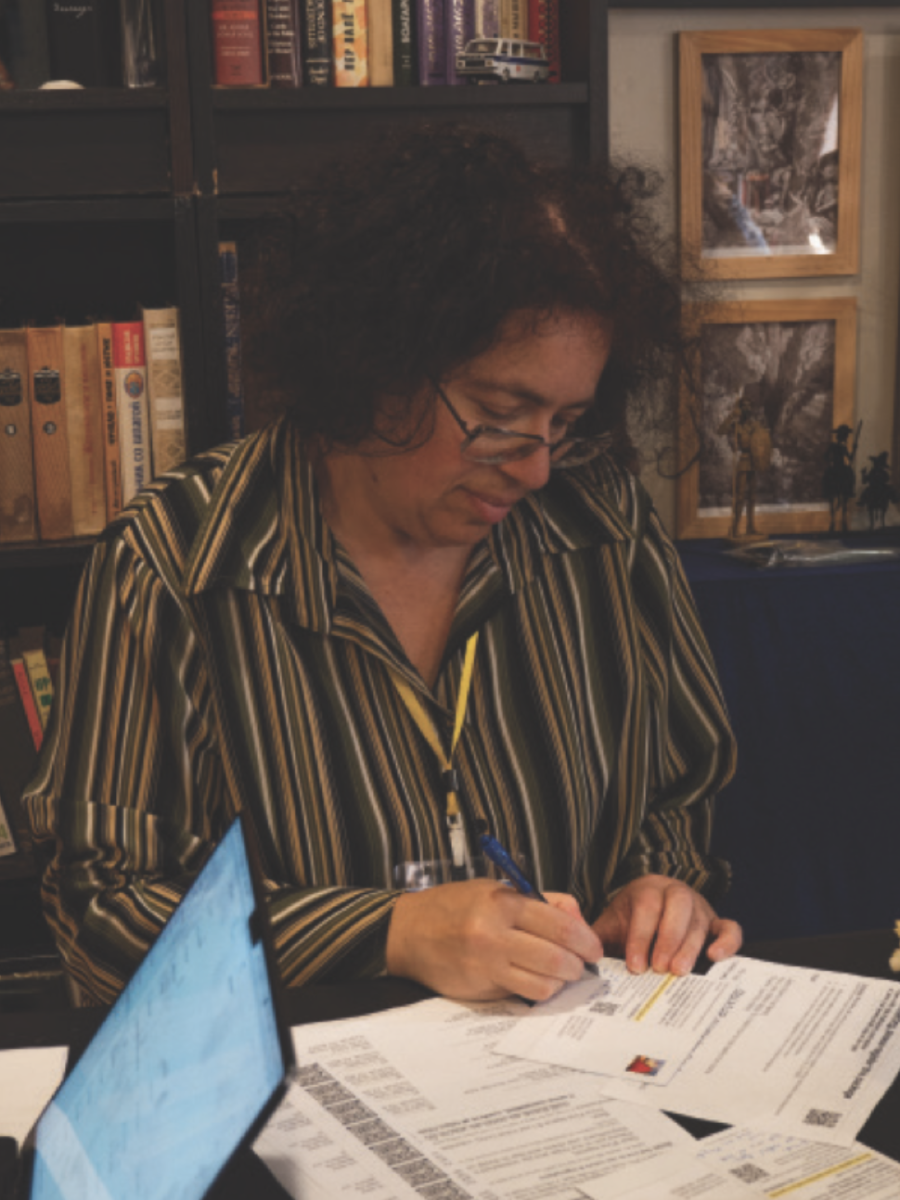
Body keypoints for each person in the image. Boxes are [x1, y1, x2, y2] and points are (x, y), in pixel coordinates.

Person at [25, 125, 742, 1006]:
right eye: (499, 413)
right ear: (378, 364)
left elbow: (677, 789)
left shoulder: (600, 525)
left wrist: (658, 891)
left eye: (565, 421)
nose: (537, 467)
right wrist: (391, 930)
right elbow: (101, 917)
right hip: (315, 1102)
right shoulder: (177, 564)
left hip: (577, 1076)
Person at [717, 391, 771, 540]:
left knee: (752, 496)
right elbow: (720, 431)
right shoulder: (736, 426)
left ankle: (751, 527)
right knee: (740, 496)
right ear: (740, 408)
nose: (747, 409)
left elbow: (762, 442)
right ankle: (735, 529)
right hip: (743, 461)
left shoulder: (755, 425)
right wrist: (731, 416)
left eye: (749, 406)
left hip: (754, 462)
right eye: (744, 406)